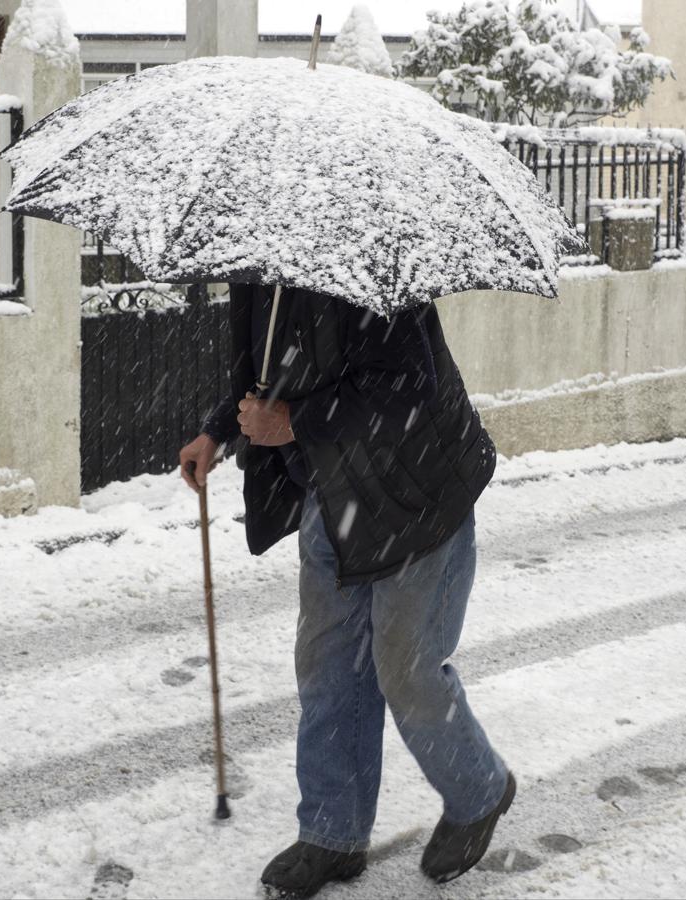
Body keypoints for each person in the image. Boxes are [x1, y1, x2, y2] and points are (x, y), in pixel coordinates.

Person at [179, 283, 513, 899]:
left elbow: (411, 387)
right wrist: (220, 429)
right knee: (329, 667)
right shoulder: (265, 262)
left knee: (404, 669)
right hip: (331, 490)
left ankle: (479, 791)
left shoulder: (381, 274)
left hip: (416, 491)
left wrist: (295, 421)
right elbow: (263, 368)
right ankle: (332, 834)